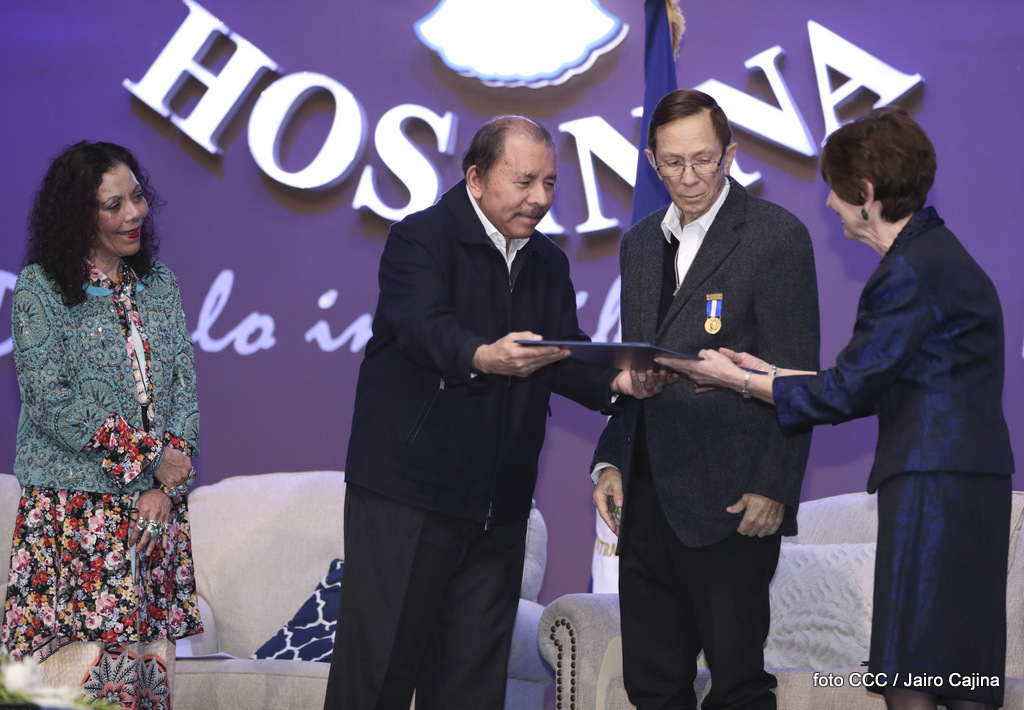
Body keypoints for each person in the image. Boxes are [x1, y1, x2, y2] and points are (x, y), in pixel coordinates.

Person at [662, 107, 1014, 710]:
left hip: (932, 488)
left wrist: (734, 380)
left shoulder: (906, 274)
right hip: (968, 484)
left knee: (915, 677)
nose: (829, 203)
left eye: (835, 187)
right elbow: (872, 381)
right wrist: (767, 372)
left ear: (866, 194)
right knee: (962, 673)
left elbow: (845, 394)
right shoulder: (939, 257)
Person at [322, 115, 669, 710]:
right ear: (476, 179)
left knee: (471, 687)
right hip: (408, 496)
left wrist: (619, 381)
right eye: (524, 181)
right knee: (376, 676)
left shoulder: (548, 262)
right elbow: (423, 329)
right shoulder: (420, 239)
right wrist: (483, 356)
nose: (540, 198)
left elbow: (562, 353)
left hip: (501, 509)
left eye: (550, 183)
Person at [592, 89, 820, 710]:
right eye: (672, 163)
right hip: (646, 497)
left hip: (733, 497)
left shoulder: (776, 236)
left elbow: (796, 377)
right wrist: (611, 459)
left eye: (703, 160)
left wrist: (776, 485)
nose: (689, 177)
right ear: (651, 162)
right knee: (652, 685)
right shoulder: (639, 243)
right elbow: (638, 364)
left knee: (737, 686)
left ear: (730, 155)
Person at [1, 141, 202, 709]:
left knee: (144, 685)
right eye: (113, 205)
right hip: (74, 520)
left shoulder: (159, 284)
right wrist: (149, 460)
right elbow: (52, 401)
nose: (134, 213)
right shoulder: (41, 288)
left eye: (137, 196)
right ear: (78, 216)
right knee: (73, 686)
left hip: (151, 516)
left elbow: (183, 389)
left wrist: (165, 486)